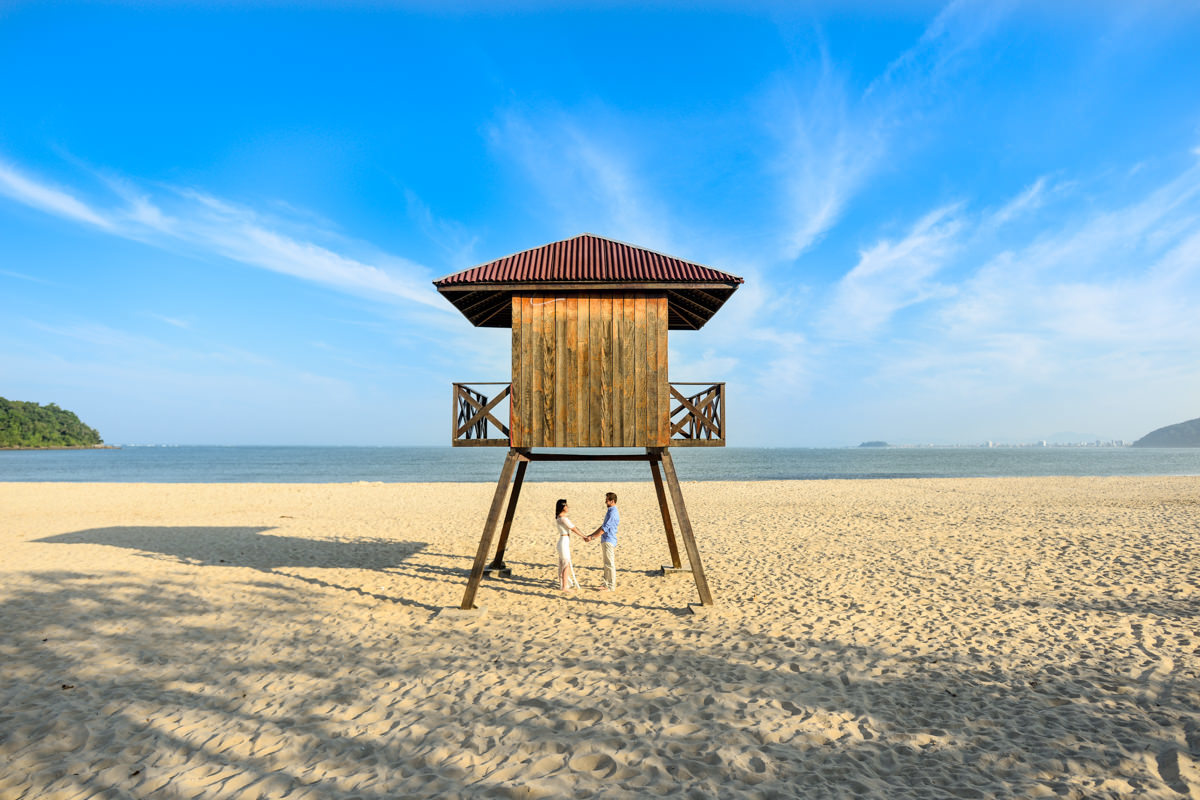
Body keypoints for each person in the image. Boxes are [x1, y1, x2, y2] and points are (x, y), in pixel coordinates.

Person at [585, 492, 619, 591]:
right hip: (606, 539)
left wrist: (591, 538)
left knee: (609, 564)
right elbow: (602, 527)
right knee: (606, 564)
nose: (605, 501)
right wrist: (591, 535)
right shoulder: (610, 511)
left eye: (607, 500)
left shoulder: (613, 513)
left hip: (609, 540)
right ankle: (606, 584)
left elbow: (604, 529)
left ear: (612, 501)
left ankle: (611, 586)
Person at [555, 498, 585, 591]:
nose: (568, 507)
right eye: (566, 505)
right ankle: (564, 587)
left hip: (563, 541)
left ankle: (563, 584)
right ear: (563, 507)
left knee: (563, 563)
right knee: (565, 564)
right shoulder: (563, 518)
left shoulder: (559, 517)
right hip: (563, 541)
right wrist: (583, 536)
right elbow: (573, 528)